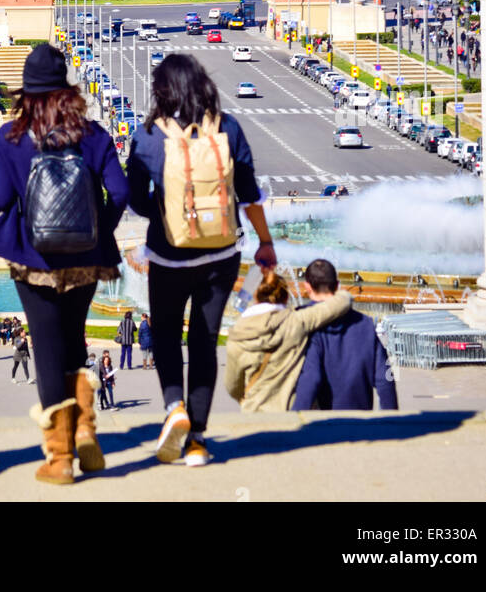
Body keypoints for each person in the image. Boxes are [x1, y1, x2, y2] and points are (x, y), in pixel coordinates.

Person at [0, 42, 129, 485]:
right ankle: (84, 430)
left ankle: (60, 458)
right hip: (85, 261)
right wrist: (99, 230)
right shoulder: (94, 135)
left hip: (34, 262)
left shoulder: (12, 138)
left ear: (28, 92)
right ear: (67, 89)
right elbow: (120, 194)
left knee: (46, 350)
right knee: (74, 344)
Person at [127, 53, 276, 468]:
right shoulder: (227, 128)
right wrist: (265, 243)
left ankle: (174, 406)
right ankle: (196, 441)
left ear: (160, 91)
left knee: (169, 337)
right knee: (205, 342)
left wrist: (167, 210)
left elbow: (135, 198)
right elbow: (249, 195)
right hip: (220, 255)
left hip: (168, 255)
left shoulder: (148, 136)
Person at [225, 269, 351, 412]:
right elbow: (340, 303)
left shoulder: (238, 333)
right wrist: (340, 290)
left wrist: (248, 399)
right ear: (285, 298)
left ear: (256, 298)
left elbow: (232, 386)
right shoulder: (297, 321)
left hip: (254, 411)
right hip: (290, 411)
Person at [293, 259, 399, 412]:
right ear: (337, 286)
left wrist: (295, 418)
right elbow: (386, 378)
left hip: (322, 424)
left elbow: (311, 378)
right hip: (359, 422)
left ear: (307, 286)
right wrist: (392, 418)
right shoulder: (366, 324)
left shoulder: (304, 322)